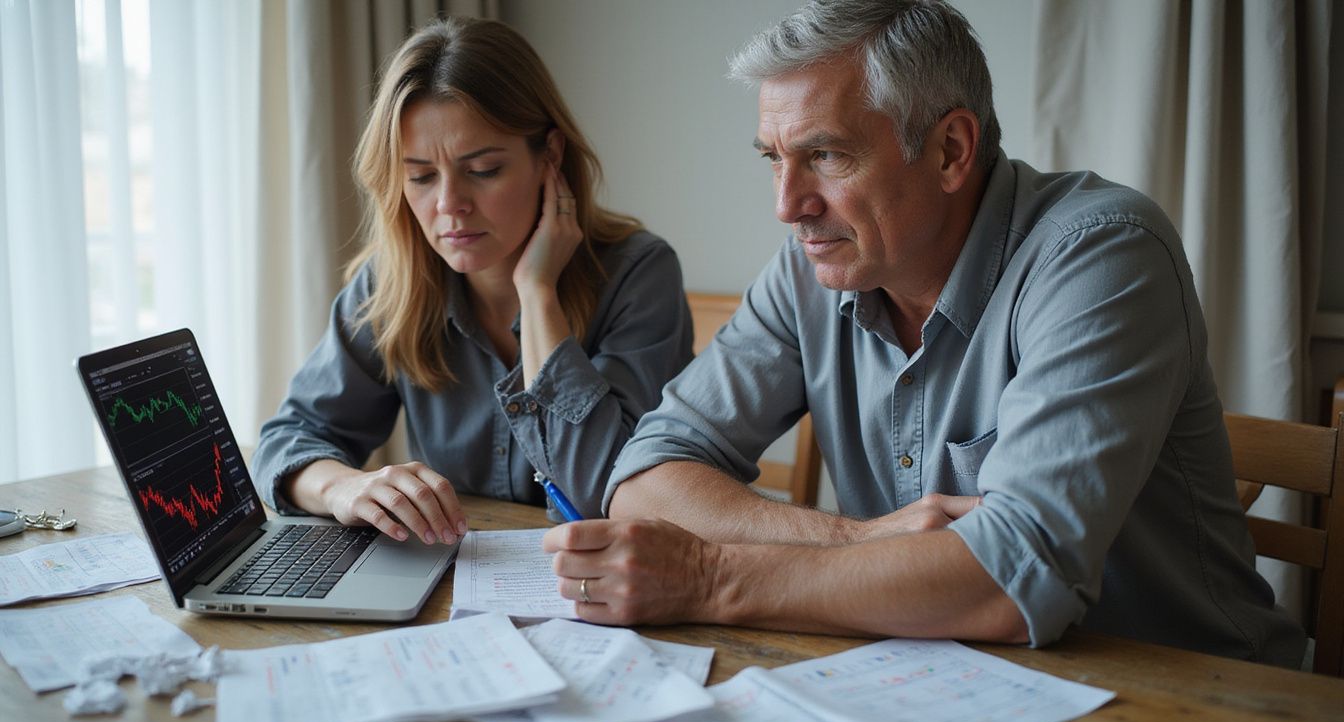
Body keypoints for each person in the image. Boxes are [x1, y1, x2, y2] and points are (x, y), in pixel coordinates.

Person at [542, 0, 1306, 667]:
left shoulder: (1103, 253)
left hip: (1197, 703)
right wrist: (858, 541)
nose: (787, 204)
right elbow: (645, 477)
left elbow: (1011, 580)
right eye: (775, 159)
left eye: (826, 155)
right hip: (944, 687)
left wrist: (710, 578)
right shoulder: (812, 267)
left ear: (950, 150)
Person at [252, 17, 693, 546]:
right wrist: (342, 488)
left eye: (482, 169)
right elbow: (285, 442)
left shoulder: (639, 274)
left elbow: (606, 493)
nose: (448, 205)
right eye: (419, 176)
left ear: (549, 156)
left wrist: (538, 293)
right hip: (452, 590)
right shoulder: (393, 284)